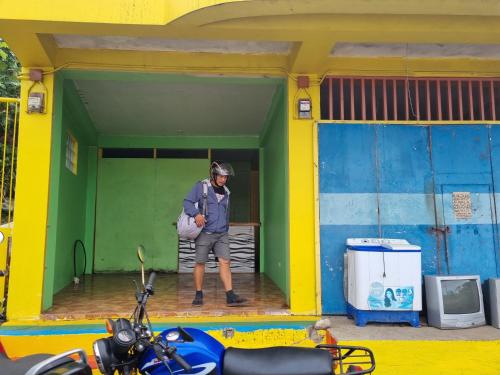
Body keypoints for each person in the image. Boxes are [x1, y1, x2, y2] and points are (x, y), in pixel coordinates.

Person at [183, 160, 248, 307]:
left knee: (225, 262)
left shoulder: (226, 192)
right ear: (214, 175)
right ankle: (198, 294)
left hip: (221, 234)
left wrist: (225, 228)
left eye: (225, 177)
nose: (223, 179)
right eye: (220, 176)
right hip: (205, 232)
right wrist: (196, 214)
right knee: (200, 263)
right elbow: (187, 202)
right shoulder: (201, 187)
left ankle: (230, 296)